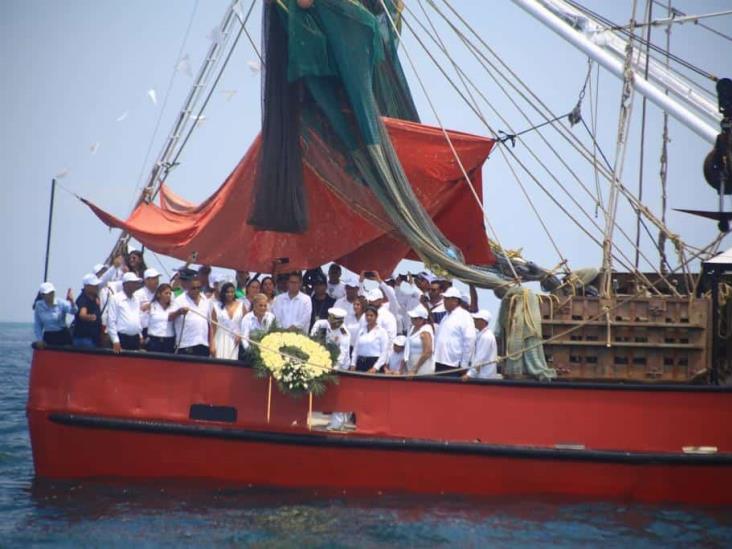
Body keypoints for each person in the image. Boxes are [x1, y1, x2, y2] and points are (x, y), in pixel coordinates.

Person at [310, 308, 351, 431]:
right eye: (330, 321)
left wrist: (334, 368)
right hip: (324, 361)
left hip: (340, 367)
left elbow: (342, 355)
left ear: (340, 322)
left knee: (338, 394)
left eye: (335, 323)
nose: (332, 325)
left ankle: (337, 422)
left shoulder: (344, 334)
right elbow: (315, 331)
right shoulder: (323, 324)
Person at [433, 287, 476, 377]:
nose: (444, 301)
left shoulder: (465, 316)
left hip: (453, 365)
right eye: (444, 299)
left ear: (455, 301)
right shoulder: (446, 316)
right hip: (439, 362)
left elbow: (470, 340)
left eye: (447, 299)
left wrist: (464, 364)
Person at [169, 276, 212, 357]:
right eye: (193, 288)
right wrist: (179, 312)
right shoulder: (179, 300)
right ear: (187, 287)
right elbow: (170, 317)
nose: (196, 290)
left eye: (198, 288)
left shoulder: (206, 300)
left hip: (203, 343)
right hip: (187, 344)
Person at [107, 272, 144, 352]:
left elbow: (137, 317)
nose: (136, 285)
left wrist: (140, 334)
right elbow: (111, 321)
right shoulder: (115, 298)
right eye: (133, 283)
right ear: (125, 284)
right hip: (122, 338)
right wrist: (115, 340)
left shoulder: (136, 299)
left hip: (135, 339)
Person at [210, 282, 246, 359]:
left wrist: (241, 335)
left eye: (232, 292)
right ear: (223, 293)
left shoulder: (241, 305)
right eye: (227, 292)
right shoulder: (216, 306)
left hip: (235, 341)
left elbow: (246, 324)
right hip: (219, 339)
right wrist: (212, 345)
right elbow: (213, 328)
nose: (230, 294)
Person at [33, 282, 76, 346]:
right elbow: (38, 324)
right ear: (42, 295)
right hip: (48, 335)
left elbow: (73, 311)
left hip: (62, 335)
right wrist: (39, 339)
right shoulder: (39, 305)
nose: (51, 295)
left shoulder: (61, 303)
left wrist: (72, 302)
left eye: (52, 292)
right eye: (49, 293)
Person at [351, 305, 389, 373]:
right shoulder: (361, 330)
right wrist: (353, 364)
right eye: (367, 315)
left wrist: (375, 367)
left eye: (371, 315)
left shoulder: (382, 331)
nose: (369, 317)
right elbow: (356, 349)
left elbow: (384, 352)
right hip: (360, 363)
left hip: (374, 363)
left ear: (376, 316)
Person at [464, 310, 500, 380]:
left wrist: (469, 375)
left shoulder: (486, 337)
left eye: (477, 319)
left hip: (484, 376)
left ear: (483, 321)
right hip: (484, 375)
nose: (474, 321)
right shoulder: (482, 335)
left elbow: (480, 359)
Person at [72, 274, 102, 348]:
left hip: (93, 338)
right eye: (93, 285)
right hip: (84, 339)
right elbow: (82, 315)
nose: (96, 287)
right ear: (86, 286)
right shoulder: (83, 299)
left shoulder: (94, 298)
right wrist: (92, 317)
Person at [404, 305, 435, 375]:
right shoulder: (412, 328)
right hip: (411, 365)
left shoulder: (426, 330)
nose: (412, 319)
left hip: (423, 367)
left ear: (422, 319)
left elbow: (427, 352)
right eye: (412, 318)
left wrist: (415, 369)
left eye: (415, 318)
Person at [147, 283, 176, 353]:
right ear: (159, 294)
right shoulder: (151, 306)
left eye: (170, 293)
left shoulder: (174, 307)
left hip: (169, 341)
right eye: (166, 293)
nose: (168, 295)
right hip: (154, 340)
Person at [135, 268, 160, 340]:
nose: (157, 281)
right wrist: (139, 334)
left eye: (157, 278)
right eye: (154, 278)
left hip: (157, 329)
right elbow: (135, 315)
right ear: (146, 280)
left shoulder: (161, 293)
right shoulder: (138, 294)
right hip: (144, 329)